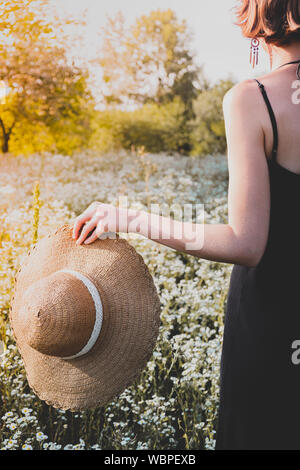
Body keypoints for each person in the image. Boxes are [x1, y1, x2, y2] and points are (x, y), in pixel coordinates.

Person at [73, 0, 300, 450]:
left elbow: (246, 242)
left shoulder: (251, 99)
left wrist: (133, 217)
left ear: (258, 23)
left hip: (272, 326)